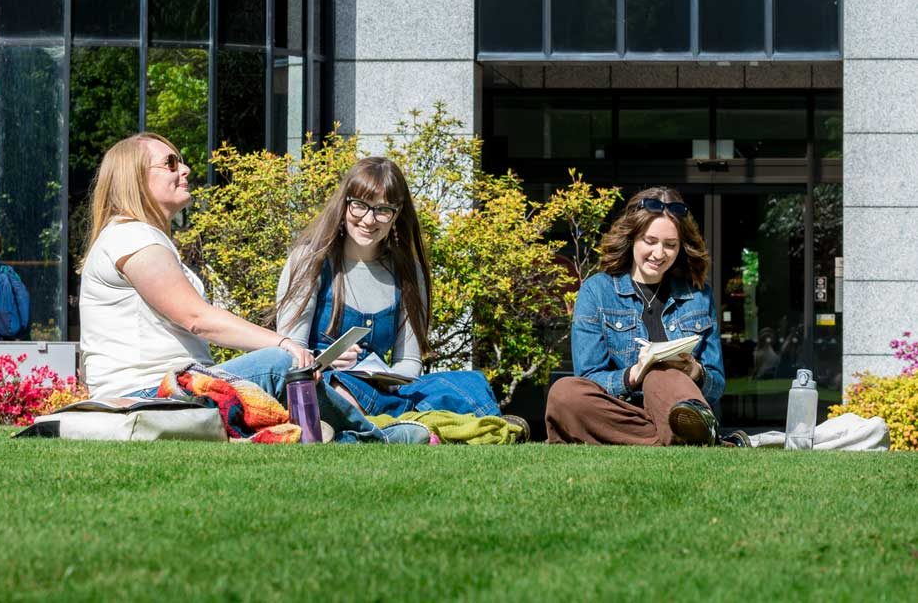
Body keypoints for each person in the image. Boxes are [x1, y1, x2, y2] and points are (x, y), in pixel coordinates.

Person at [77, 134, 428, 444]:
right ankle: (374, 438)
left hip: (177, 385)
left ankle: (339, 434)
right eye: (170, 163)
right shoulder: (132, 236)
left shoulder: (144, 238)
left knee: (286, 373)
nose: (184, 169)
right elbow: (196, 318)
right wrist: (282, 343)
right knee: (280, 363)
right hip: (149, 391)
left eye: (181, 161)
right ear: (134, 178)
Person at [274, 156, 512, 429]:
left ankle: (395, 423)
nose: (368, 219)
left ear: (396, 214)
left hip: (387, 390)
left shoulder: (408, 272)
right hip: (324, 382)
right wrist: (322, 359)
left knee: (468, 386)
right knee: (340, 393)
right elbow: (289, 353)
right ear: (344, 204)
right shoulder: (310, 260)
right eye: (359, 206)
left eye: (382, 210)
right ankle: (407, 426)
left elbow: (408, 362)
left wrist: (388, 381)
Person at [545, 187, 744, 446]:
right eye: (650, 242)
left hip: (674, 404)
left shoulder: (698, 295)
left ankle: (669, 433)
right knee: (563, 393)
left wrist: (693, 370)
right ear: (632, 237)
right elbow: (589, 376)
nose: (659, 254)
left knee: (662, 376)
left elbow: (716, 385)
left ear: (681, 247)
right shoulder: (597, 291)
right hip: (619, 411)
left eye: (670, 245)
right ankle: (681, 439)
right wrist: (633, 374)